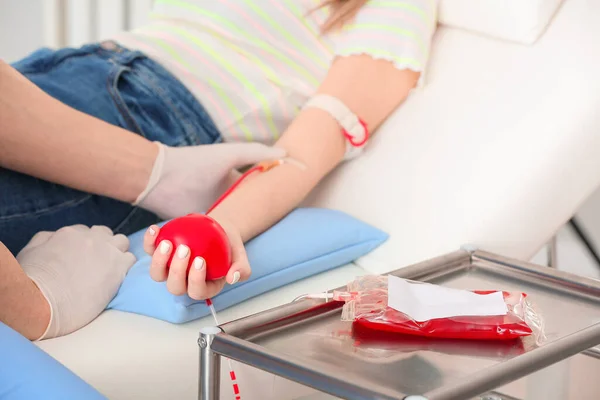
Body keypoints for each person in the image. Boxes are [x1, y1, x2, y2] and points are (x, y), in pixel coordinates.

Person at [4, 0, 438, 320]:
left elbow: (301, 155)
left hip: (149, 111)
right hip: (45, 80)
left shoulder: (394, 7)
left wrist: (221, 225)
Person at [0, 62, 284, 341]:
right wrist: (29, 307)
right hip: (85, 87)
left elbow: (293, 165)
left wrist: (221, 220)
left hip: (141, 102)